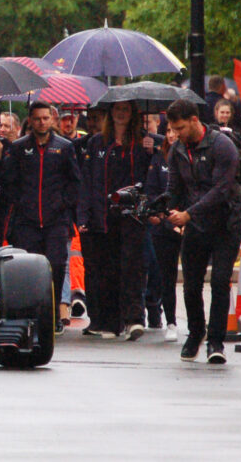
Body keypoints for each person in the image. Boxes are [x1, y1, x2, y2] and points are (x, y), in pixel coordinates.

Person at [164, 99, 241, 365]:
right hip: (196, 226)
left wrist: (188, 213)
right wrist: (159, 209)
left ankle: (216, 341)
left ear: (195, 121)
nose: (176, 134)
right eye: (173, 129)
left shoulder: (222, 146)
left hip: (225, 223)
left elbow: (221, 190)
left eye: (180, 128)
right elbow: (174, 189)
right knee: (191, 285)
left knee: (220, 281)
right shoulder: (177, 150)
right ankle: (196, 332)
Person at [0, 101, 82, 332]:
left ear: (51, 120)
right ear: (30, 121)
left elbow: (75, 182)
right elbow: (9, 182)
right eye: (37, 118)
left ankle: (52, 316)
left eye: (46, 118)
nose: (42, 122)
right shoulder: (20, 147)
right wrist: (22, 203)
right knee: (27, 269)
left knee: (55, 266)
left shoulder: (64, 147)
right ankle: (28, 316)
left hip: (56, 221)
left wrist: (62, 203)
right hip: (27, 221)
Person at [78, 101, 152, 340]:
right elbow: (88, 182)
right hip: (105, 215)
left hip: (133, 216)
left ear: (132, 114)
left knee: (132, 268)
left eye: (126, 110)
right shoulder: (97, 142)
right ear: (111, 114)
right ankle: (110, 322)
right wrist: (85, 214)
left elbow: (150, 177)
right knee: (108, 270)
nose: (121, 114)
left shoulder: (144, 142)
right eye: (117, 110)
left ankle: (134, 319)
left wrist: (152, 150)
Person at [144, 124, 181, 342]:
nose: (172, 135)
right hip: (163, 225)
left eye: (176, 130)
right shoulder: (158, 159)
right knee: (165, 276)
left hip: (187, 221)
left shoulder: (191, 156)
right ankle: (170, 321)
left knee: (193, 278)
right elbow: (151, 191)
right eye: (168, 131)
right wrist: (157, 213)